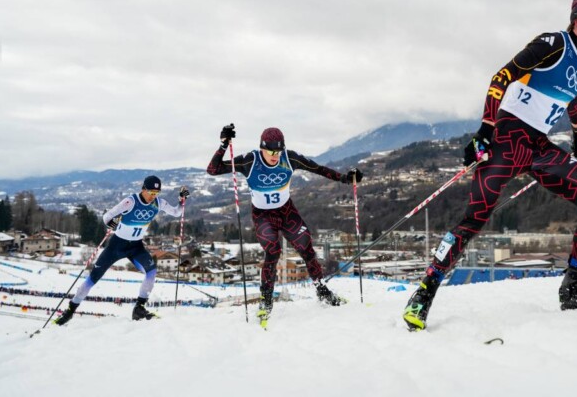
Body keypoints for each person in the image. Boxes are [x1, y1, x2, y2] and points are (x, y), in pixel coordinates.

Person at [403, 0, 577, 331]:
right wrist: (485, 129)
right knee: (474, 219)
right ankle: (425, 291)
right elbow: (501, 77)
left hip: (537, 146)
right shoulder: (553, 43)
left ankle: (573, 288)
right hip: (506, 140)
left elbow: (573, 91)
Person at [206, 124, 363, 323]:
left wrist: (345, 178)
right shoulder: (250, 161)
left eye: (279, 151)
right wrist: (223, 145)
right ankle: (266, 300)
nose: (275, 155)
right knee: (273, 250)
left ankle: (322, 291)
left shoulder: (290, 158)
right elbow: (213, 169)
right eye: (271, 151)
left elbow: (317, 168)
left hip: (286, 211)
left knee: (306, 246)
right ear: (262, 147)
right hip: (263, 215)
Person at [55, 176, 190, 325]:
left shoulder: (159, 203)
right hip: (116, 246)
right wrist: (111, 223)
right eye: (151, 192)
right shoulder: (130, 202)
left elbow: (177, 212)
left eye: (156, 193)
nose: (153, 196)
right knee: (93, 278)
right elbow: (107, 217)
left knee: (151, 272)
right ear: (143, 189)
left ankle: (139, 308)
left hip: (136, 247)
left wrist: (181, 200)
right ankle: (70, 310)